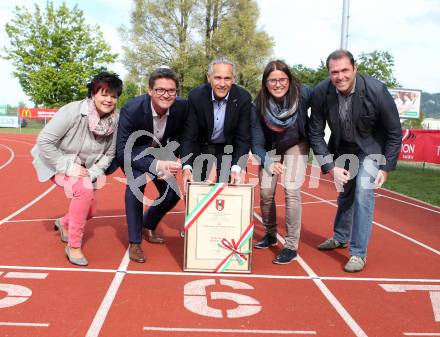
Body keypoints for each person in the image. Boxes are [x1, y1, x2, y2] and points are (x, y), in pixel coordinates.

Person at [308, 49, 402, 272]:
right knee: (346, 194)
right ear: (329, 73)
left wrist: (386, 168)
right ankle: (340, 237)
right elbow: (315, 132)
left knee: (362, 190)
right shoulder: (322, 92)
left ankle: (358, 253)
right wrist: (330, 167)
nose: (340, 76)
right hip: (342, 149)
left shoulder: (376, 90)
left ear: (354, 69)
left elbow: (394, 132)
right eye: (334, 72)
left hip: (371, 149)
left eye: (344, 70)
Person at [31, 72, 123, 266]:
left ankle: (63, 223)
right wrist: (68, 166)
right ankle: (73, 246)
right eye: (104, 94)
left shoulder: (115, 121)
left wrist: (93, 172)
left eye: (113, 96)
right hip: (55, 161)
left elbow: (109, 154)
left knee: (90, 210)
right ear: (93, 93)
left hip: (86, 169)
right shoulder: (72, 112)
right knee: (83, 190)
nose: (108, 99)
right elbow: (44, 142)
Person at [116, 68, 187, 263]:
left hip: (162, 152)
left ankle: (148, 224)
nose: (166, 95)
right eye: (160, 90)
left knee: (172, 194)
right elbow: (122, 152)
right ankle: (134, 242)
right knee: (135, 187)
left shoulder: (182, 107)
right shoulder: (132, 109)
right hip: (135, 153)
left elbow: (182, 135)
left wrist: (171, 160)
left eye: (171, 90)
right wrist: (155, 165)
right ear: (150, 90)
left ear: (176, 92)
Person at [250, 60, 312, 264]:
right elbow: (257, 144)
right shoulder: (258, 105)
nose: (278, 84)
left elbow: (326, 95)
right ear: (265, 83)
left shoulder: (304, 94)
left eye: (282, 79)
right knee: (266, 192)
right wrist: (268, 162)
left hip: (296, 142)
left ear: (290, 80)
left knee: (292, 190)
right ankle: (269, 234)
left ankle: (291, 246)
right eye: (272, 80)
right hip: (270, 148)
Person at [181, 57, 251, 186]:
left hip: (228, 147)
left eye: (227, 78)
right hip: (201, 145)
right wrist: (186, 167)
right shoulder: (196, 96)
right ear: (209, 77)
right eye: (218, 78)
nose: (222, 84)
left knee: (230, 188)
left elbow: (243, 138)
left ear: (234, 78)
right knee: (193, 188)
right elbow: (189, 136)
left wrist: (236, 168)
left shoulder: (243, 97)